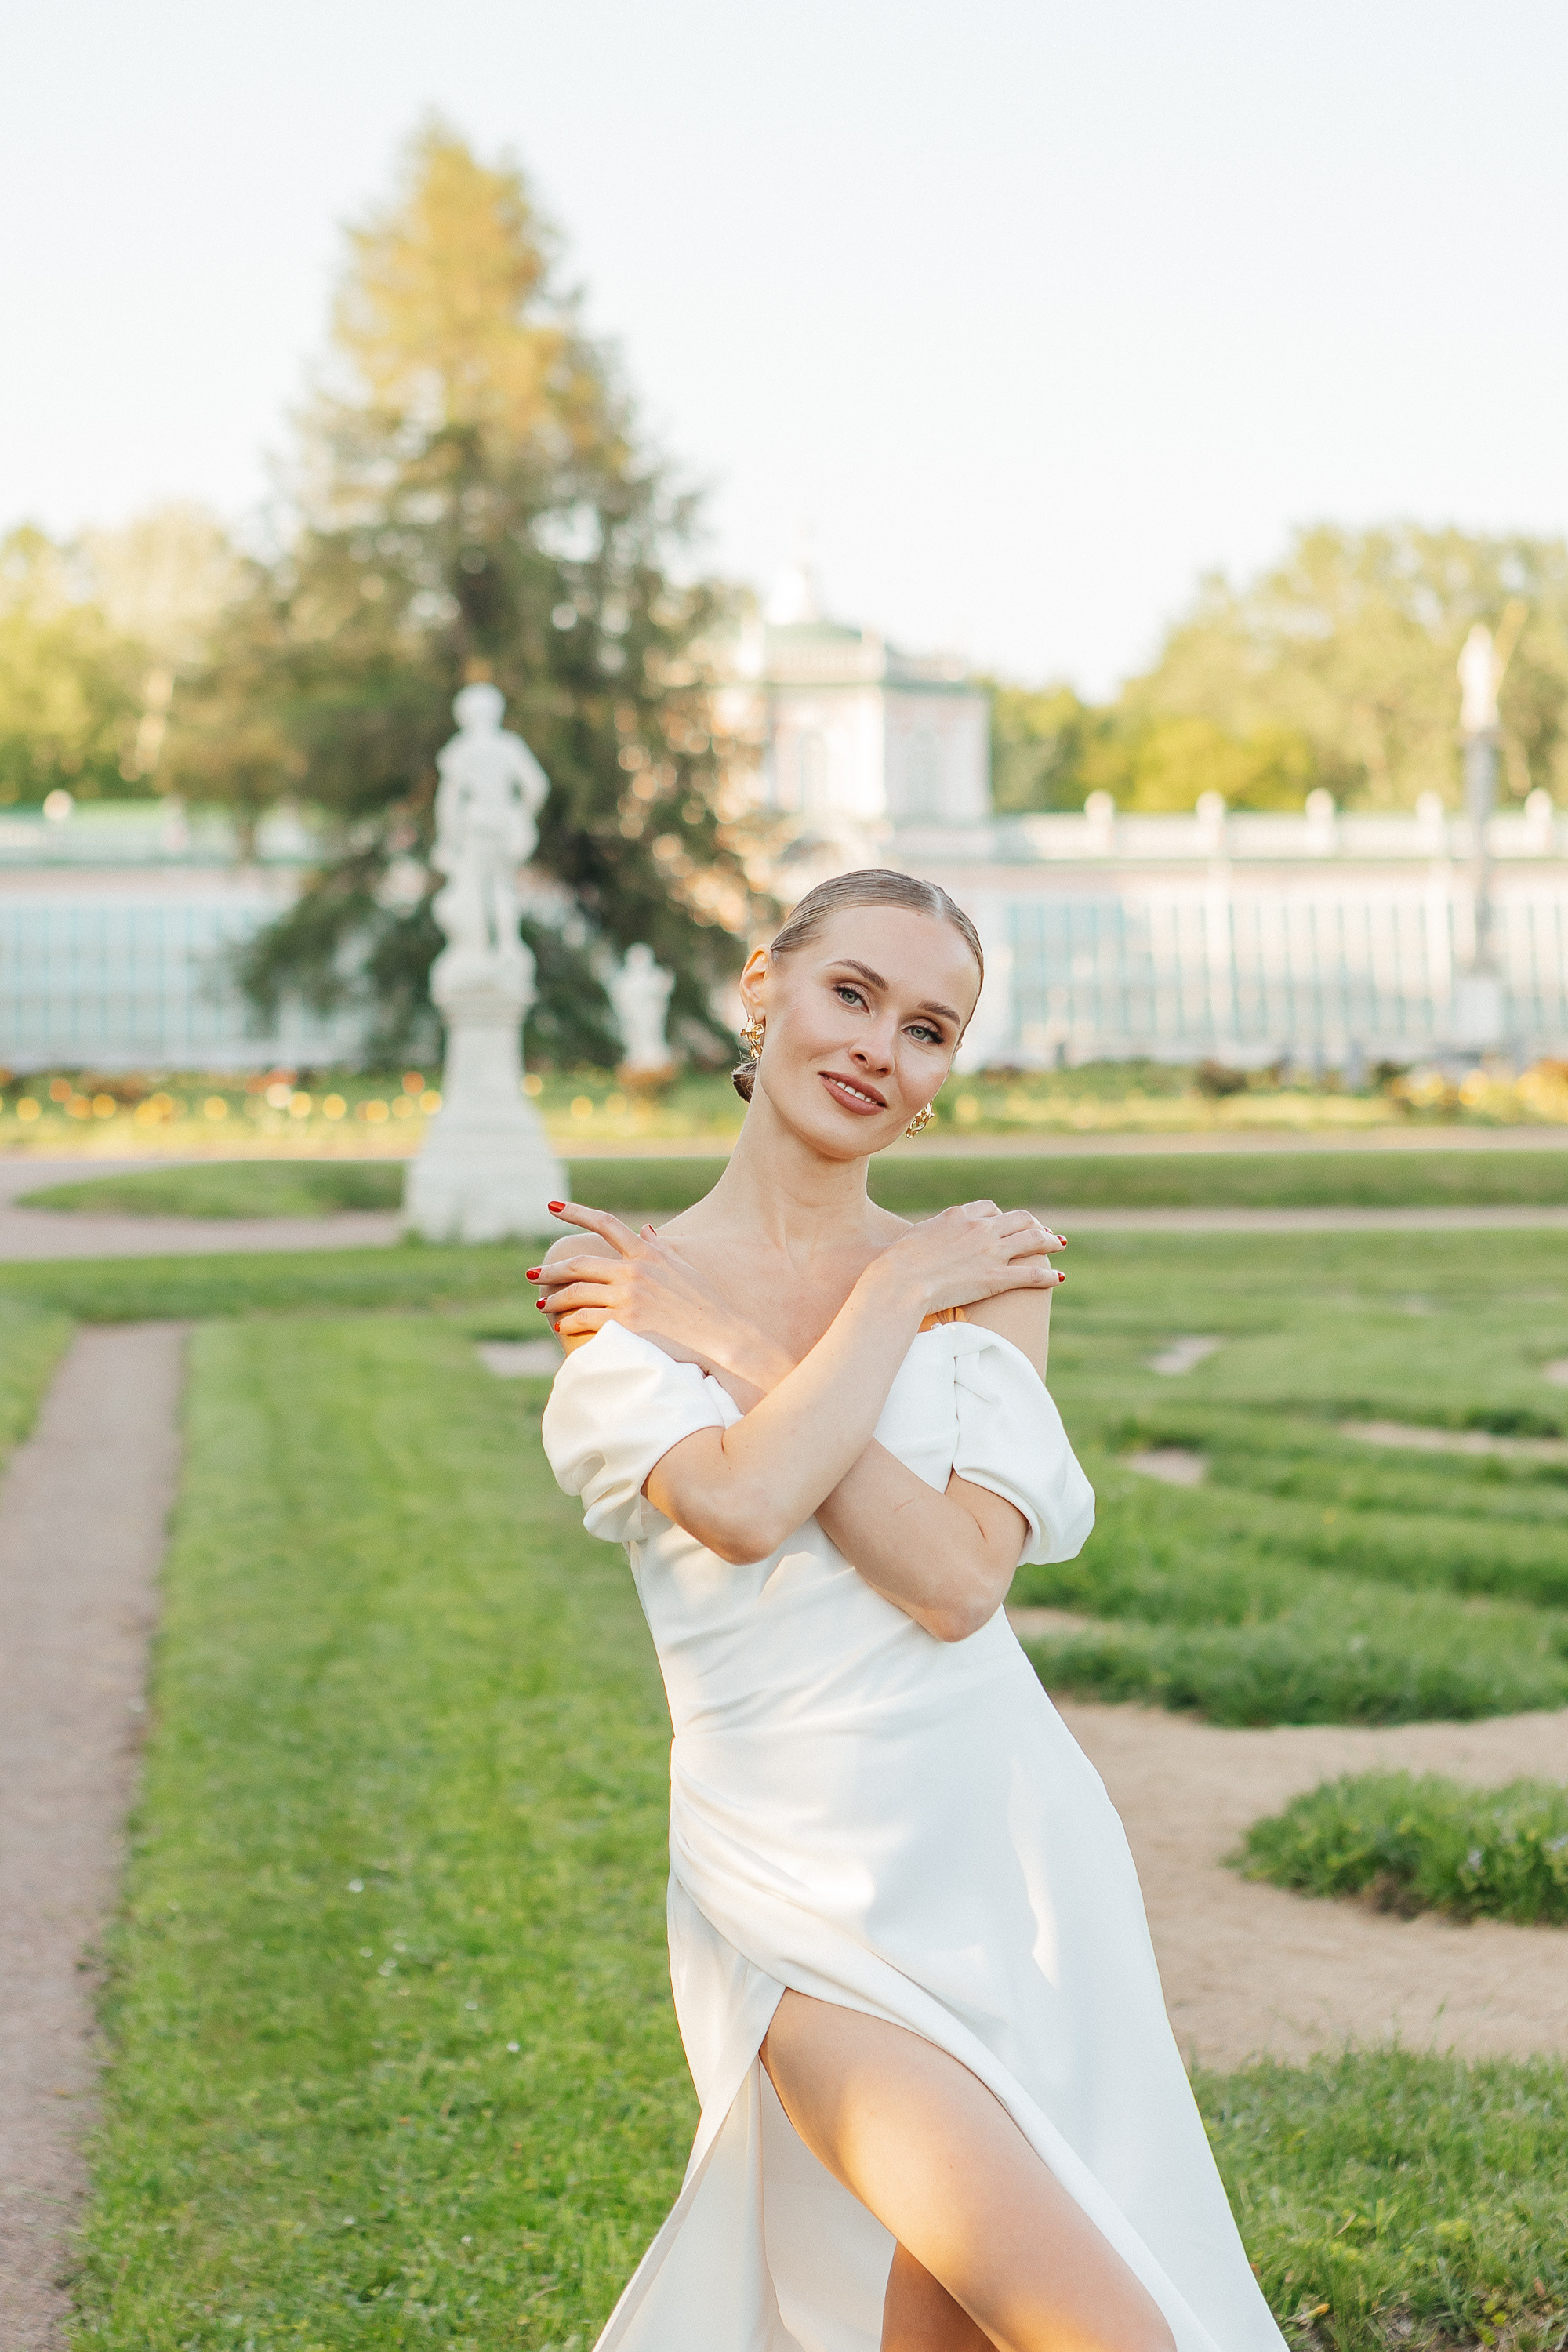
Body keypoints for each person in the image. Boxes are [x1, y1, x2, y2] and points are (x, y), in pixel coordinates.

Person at [535, 870, 1285, 2352]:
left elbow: (955, 1582)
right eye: (853, 995)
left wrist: (747, 1333)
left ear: (946, 1075)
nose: (883, 1045)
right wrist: (876, 1303)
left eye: (929, 1028)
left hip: (1012, 1869)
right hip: (796, 1904)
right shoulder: (625, 1286)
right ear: (764, 988)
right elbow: (745, 1505)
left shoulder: (987, 1275)